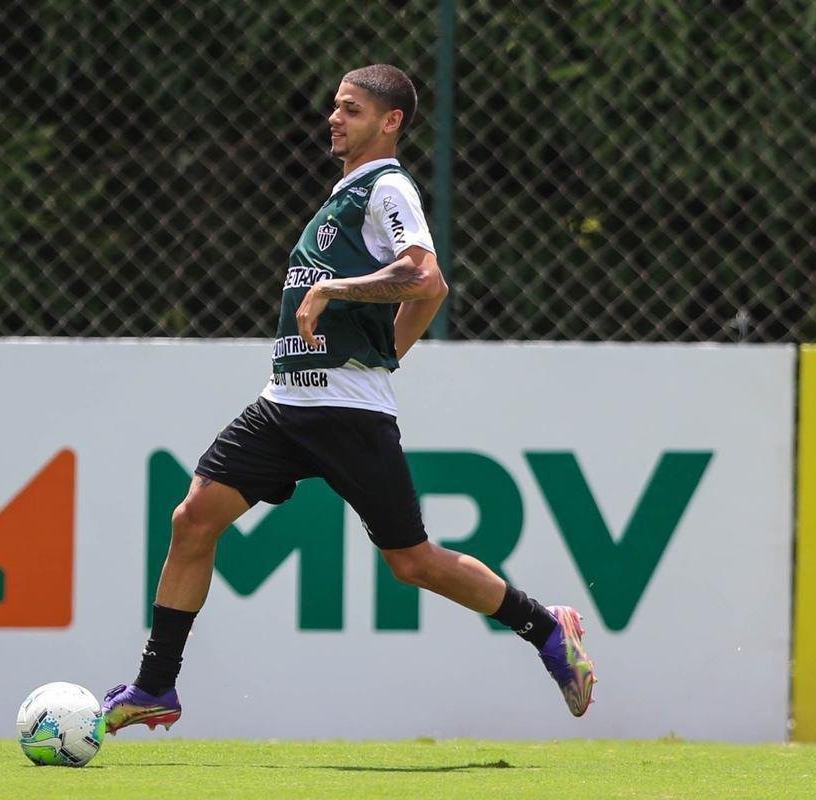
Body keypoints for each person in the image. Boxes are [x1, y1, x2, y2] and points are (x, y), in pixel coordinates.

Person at [103, 64, 595, 733]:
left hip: (344, 412)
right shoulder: (345, 193)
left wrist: (338, 295)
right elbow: (427, 293)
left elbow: (426, 278)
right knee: (192, 519)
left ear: (389, 122)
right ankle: (156, 685)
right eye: (335, 107)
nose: (334, 118)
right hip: (284, 405)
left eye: (351, 109)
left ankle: (545, 627)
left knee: (411, 562)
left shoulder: (387, 187)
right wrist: (386, 348)